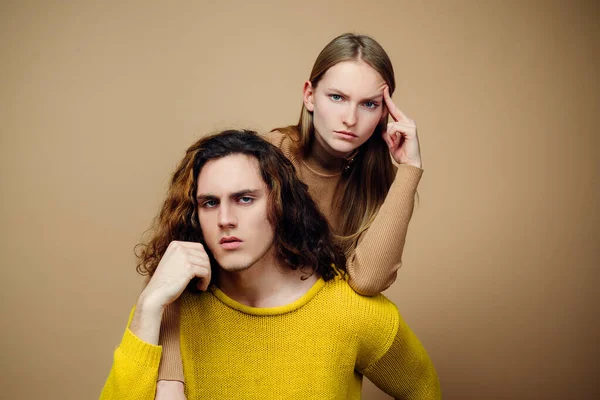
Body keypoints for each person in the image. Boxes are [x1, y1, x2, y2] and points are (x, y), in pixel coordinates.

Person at [158, 33, 424, 393]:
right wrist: (171, 381)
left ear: (385, 113)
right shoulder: (269, 158)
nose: (350, 118)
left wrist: (408, 170)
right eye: (337, 97)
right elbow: (181, 251)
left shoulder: (373, 181)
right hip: (229, 328)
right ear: (309, 96)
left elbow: (368, 281)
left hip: (313, 341)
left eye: (369, 105)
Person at [99, 130, 440, 399]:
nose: (226, 219)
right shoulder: (165, 312)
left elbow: (421, 388)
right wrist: (148, 305)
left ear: (280, 204)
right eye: (209, 203)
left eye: (244, 199)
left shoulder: (348, 310)